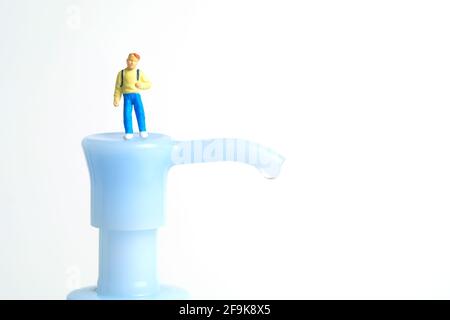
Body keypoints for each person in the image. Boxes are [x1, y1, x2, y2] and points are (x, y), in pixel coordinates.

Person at [113, 53, 152, 140]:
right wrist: (116, 98)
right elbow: (118, 88)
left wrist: (141, 85)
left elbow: (149, 84)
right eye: (130, 60)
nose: (131, 62)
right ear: (127, 60)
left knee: (140, 112)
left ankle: (143, 130)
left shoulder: (139, 72)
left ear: (137, 62)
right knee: (127, 114)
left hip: (136, 96)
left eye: (134, 61)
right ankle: (129, 132)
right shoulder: (122, 73)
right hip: (127, 97)